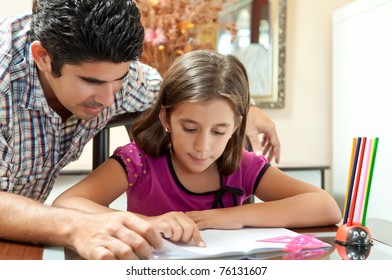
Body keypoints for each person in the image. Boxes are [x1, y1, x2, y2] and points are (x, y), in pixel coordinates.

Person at [0, 0, 280, 260]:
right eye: (91, 81)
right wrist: (75, 225)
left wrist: (247, 108)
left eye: (119, 78)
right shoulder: (4, 74)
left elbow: (183, 94)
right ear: (43, 57)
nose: (109, 99)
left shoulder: (122, 75)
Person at [53, 50, 342, 250]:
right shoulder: (137, 161)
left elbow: (326, 207)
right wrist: (148, 223)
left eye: (218, 131)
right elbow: (66, 204)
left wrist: (234, 216)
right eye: (189, 129)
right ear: (166, 119)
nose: (203, 147)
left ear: (235, 125)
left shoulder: (243, 165)